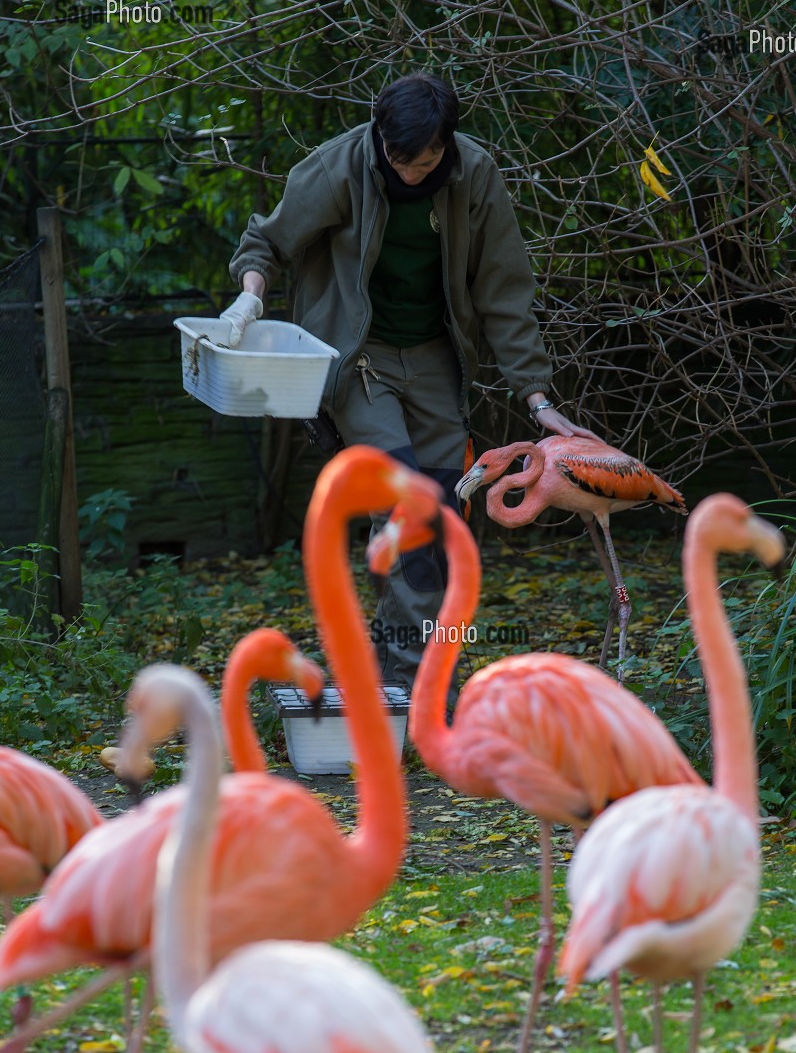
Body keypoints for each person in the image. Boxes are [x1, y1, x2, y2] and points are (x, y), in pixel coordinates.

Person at [223, 72, 596, 689]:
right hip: (359, 359)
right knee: (406, 510)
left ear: (447, 143)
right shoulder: (341, 166)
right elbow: (266, 241)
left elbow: (503, 289)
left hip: (433, 362)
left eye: (424, 161)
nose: (412, 172)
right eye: (399, 160)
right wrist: (249, 300)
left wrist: (536, 396)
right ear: (379, 138)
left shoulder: (474, 175)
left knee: (444, 518)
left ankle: (417, 679)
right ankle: (405, 684)